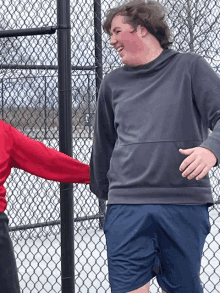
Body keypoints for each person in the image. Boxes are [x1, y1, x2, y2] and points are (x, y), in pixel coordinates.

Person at [89, 0, 220, 292]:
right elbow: (104, 145)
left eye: (116, 31)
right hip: (126, 207)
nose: (111, 40)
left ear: (143, 29)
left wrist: (211, 149)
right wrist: (105, 194)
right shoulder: (112, 83)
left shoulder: (190, 68)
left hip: (183, 203)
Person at [0, 119, 90, 293]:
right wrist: (94, 174)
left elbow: (47, 160)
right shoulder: (4, 133)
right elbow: (47, 160)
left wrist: (91, 174)